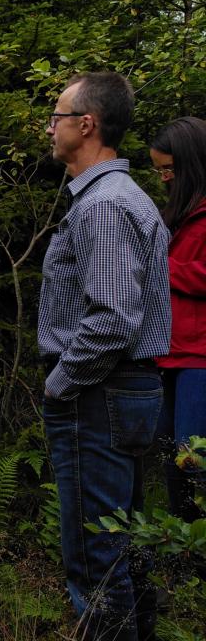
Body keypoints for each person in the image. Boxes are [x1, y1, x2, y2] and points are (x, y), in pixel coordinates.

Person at [39, 72, 170, 640]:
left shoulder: (105, 204)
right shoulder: (116, 199)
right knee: (123, 544)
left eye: (58, 115)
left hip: (100, 393)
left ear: (86, 125)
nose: (51, 126)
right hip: (121, 390)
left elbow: (112, 318)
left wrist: (60, 383)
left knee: (99, 558)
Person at [150, 117, 206, 523]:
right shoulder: (180, 213)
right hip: (170, 355)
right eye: (158, 170)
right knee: (174, 459)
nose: (164, 178)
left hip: (200, 359)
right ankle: (186, 560)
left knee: (194, 460)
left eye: (169, 168)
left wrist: (161, 268)